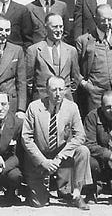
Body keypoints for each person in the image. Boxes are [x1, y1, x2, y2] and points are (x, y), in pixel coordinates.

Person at [21, 74, 92, 208]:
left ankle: (77, 193)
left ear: (65, 90)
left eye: (61, 89)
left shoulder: (72, 107)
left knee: (83, 151)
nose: (58, 94)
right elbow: (26, 138)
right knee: (39, 203)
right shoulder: (34, 107)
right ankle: (35, 188)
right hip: (40, 158)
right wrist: (43, 161)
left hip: (61, 156)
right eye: (54, 90)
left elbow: (80, 136)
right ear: (47, 91)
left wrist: (60, 157)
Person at [76, 2, 112, 114]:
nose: (107, 23)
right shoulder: (83, 40)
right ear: (95, 18)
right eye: (103, 20)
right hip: (94, 95)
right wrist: (85, 84)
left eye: (109, 19)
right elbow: (75, 69)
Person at [26, 11, 81, 102]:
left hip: (65, 100)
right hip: (42, 100)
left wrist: (66, 92)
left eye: (61, 26)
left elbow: (75, 77)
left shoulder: (71, 50)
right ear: (46, 27)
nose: (59, 30)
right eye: (55, 27)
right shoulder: (34, 50)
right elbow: (29, 80)